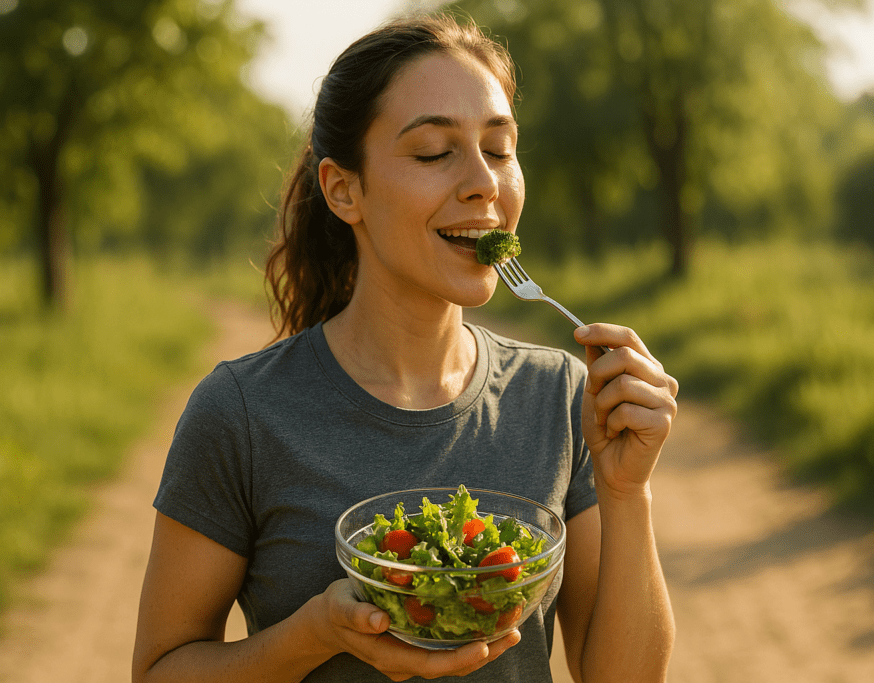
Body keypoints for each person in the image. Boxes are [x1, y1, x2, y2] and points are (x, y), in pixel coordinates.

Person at [132, 12, 677, 683]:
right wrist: (313, 634)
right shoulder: (242, 413)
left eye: (500, 149)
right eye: (433, 152)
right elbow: (161, 670)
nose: (485, 182)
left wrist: (629, 492)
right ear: (343, 189)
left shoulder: (561, 396)